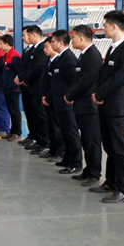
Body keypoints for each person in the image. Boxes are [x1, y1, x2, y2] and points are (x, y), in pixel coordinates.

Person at [90, 10, 124, 203]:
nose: (103, 28)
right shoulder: (113, 48)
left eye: (105, 25)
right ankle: (111, 181)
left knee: (120, 148)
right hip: (106, 104)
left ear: (114, 26)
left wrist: (99, 94)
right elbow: (104, 74)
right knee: (109, 146)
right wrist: (97, 92)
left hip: (118, 107)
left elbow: (119, 78)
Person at [64, 25, 103, 186]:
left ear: (81, 38)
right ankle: (88, 170)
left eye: (73, 37)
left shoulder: (92, 56)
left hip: (89, 106)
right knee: (86, 140)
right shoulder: (83, 55)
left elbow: (85, 81)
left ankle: (94, 173)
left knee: (92, 141)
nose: (71, 41)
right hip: (82, 105)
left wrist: (69, 95)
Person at [43, 30, 82, 174]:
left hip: (66, 103)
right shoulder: (60, 58)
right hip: (59, 102)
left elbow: (74, 81)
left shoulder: (68, 58)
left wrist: (69, 97)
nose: (51, 44)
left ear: (60, 43)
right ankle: (68, 158)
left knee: (71, 133)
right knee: (65, 132)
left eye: (53, 41)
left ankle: (76, 162)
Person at [15, 25, 49, 151]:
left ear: (34, 35)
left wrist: (24, 79)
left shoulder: (41, 49)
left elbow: (37, 67)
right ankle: (34, 136)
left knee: (39, 116)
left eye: (27, 35)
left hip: (36, 87)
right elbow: (24, 66)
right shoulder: (31, 49)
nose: (25, 38)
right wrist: (21, 78)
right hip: (27, 87)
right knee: (30, 114)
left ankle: (44, 141)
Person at [39, 37, 65, 163]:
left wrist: (48, 96)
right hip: (48, 98)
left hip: (55, 99)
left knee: (57, 126)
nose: (44, 50)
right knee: (50, 126)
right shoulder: (49, 61)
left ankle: (60, 151)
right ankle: (52, 148)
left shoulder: (60, 61)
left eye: (47, 47)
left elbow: (57, 83)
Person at [0, 34, 22, 142]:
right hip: (7, 87)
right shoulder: (6, 55)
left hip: (13, 88)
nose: (0, 46)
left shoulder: (14, 56)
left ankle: (17, 133)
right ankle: (12, 131)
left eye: (1, 44)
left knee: (15, 111)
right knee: (10, 110)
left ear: (6, 44)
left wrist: (16, 85)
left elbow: (19, 73)